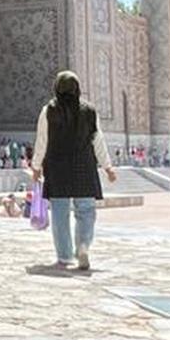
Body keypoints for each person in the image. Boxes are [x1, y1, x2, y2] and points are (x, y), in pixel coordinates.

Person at [30, 69, 118, 272]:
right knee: (86, 211)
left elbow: (42, 140)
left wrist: (36, 167)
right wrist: (108, 167)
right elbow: (98, 140)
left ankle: (64, 256)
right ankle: (83, 246)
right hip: (83, 167)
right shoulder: (89, 111)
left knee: (60, 214)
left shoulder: (49, 110)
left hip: (58, 167)